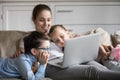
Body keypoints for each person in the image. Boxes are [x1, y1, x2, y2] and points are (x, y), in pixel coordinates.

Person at [45, 24, 120, 80]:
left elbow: (95, 43)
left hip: (102, 57)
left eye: (62, 36)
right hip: (86, 62)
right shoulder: (62, 50)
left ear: (68, 33)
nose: (61, 41)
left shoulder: (77, 38)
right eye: (57, 41)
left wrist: (103, 52)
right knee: (95, 68)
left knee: (109, 67)